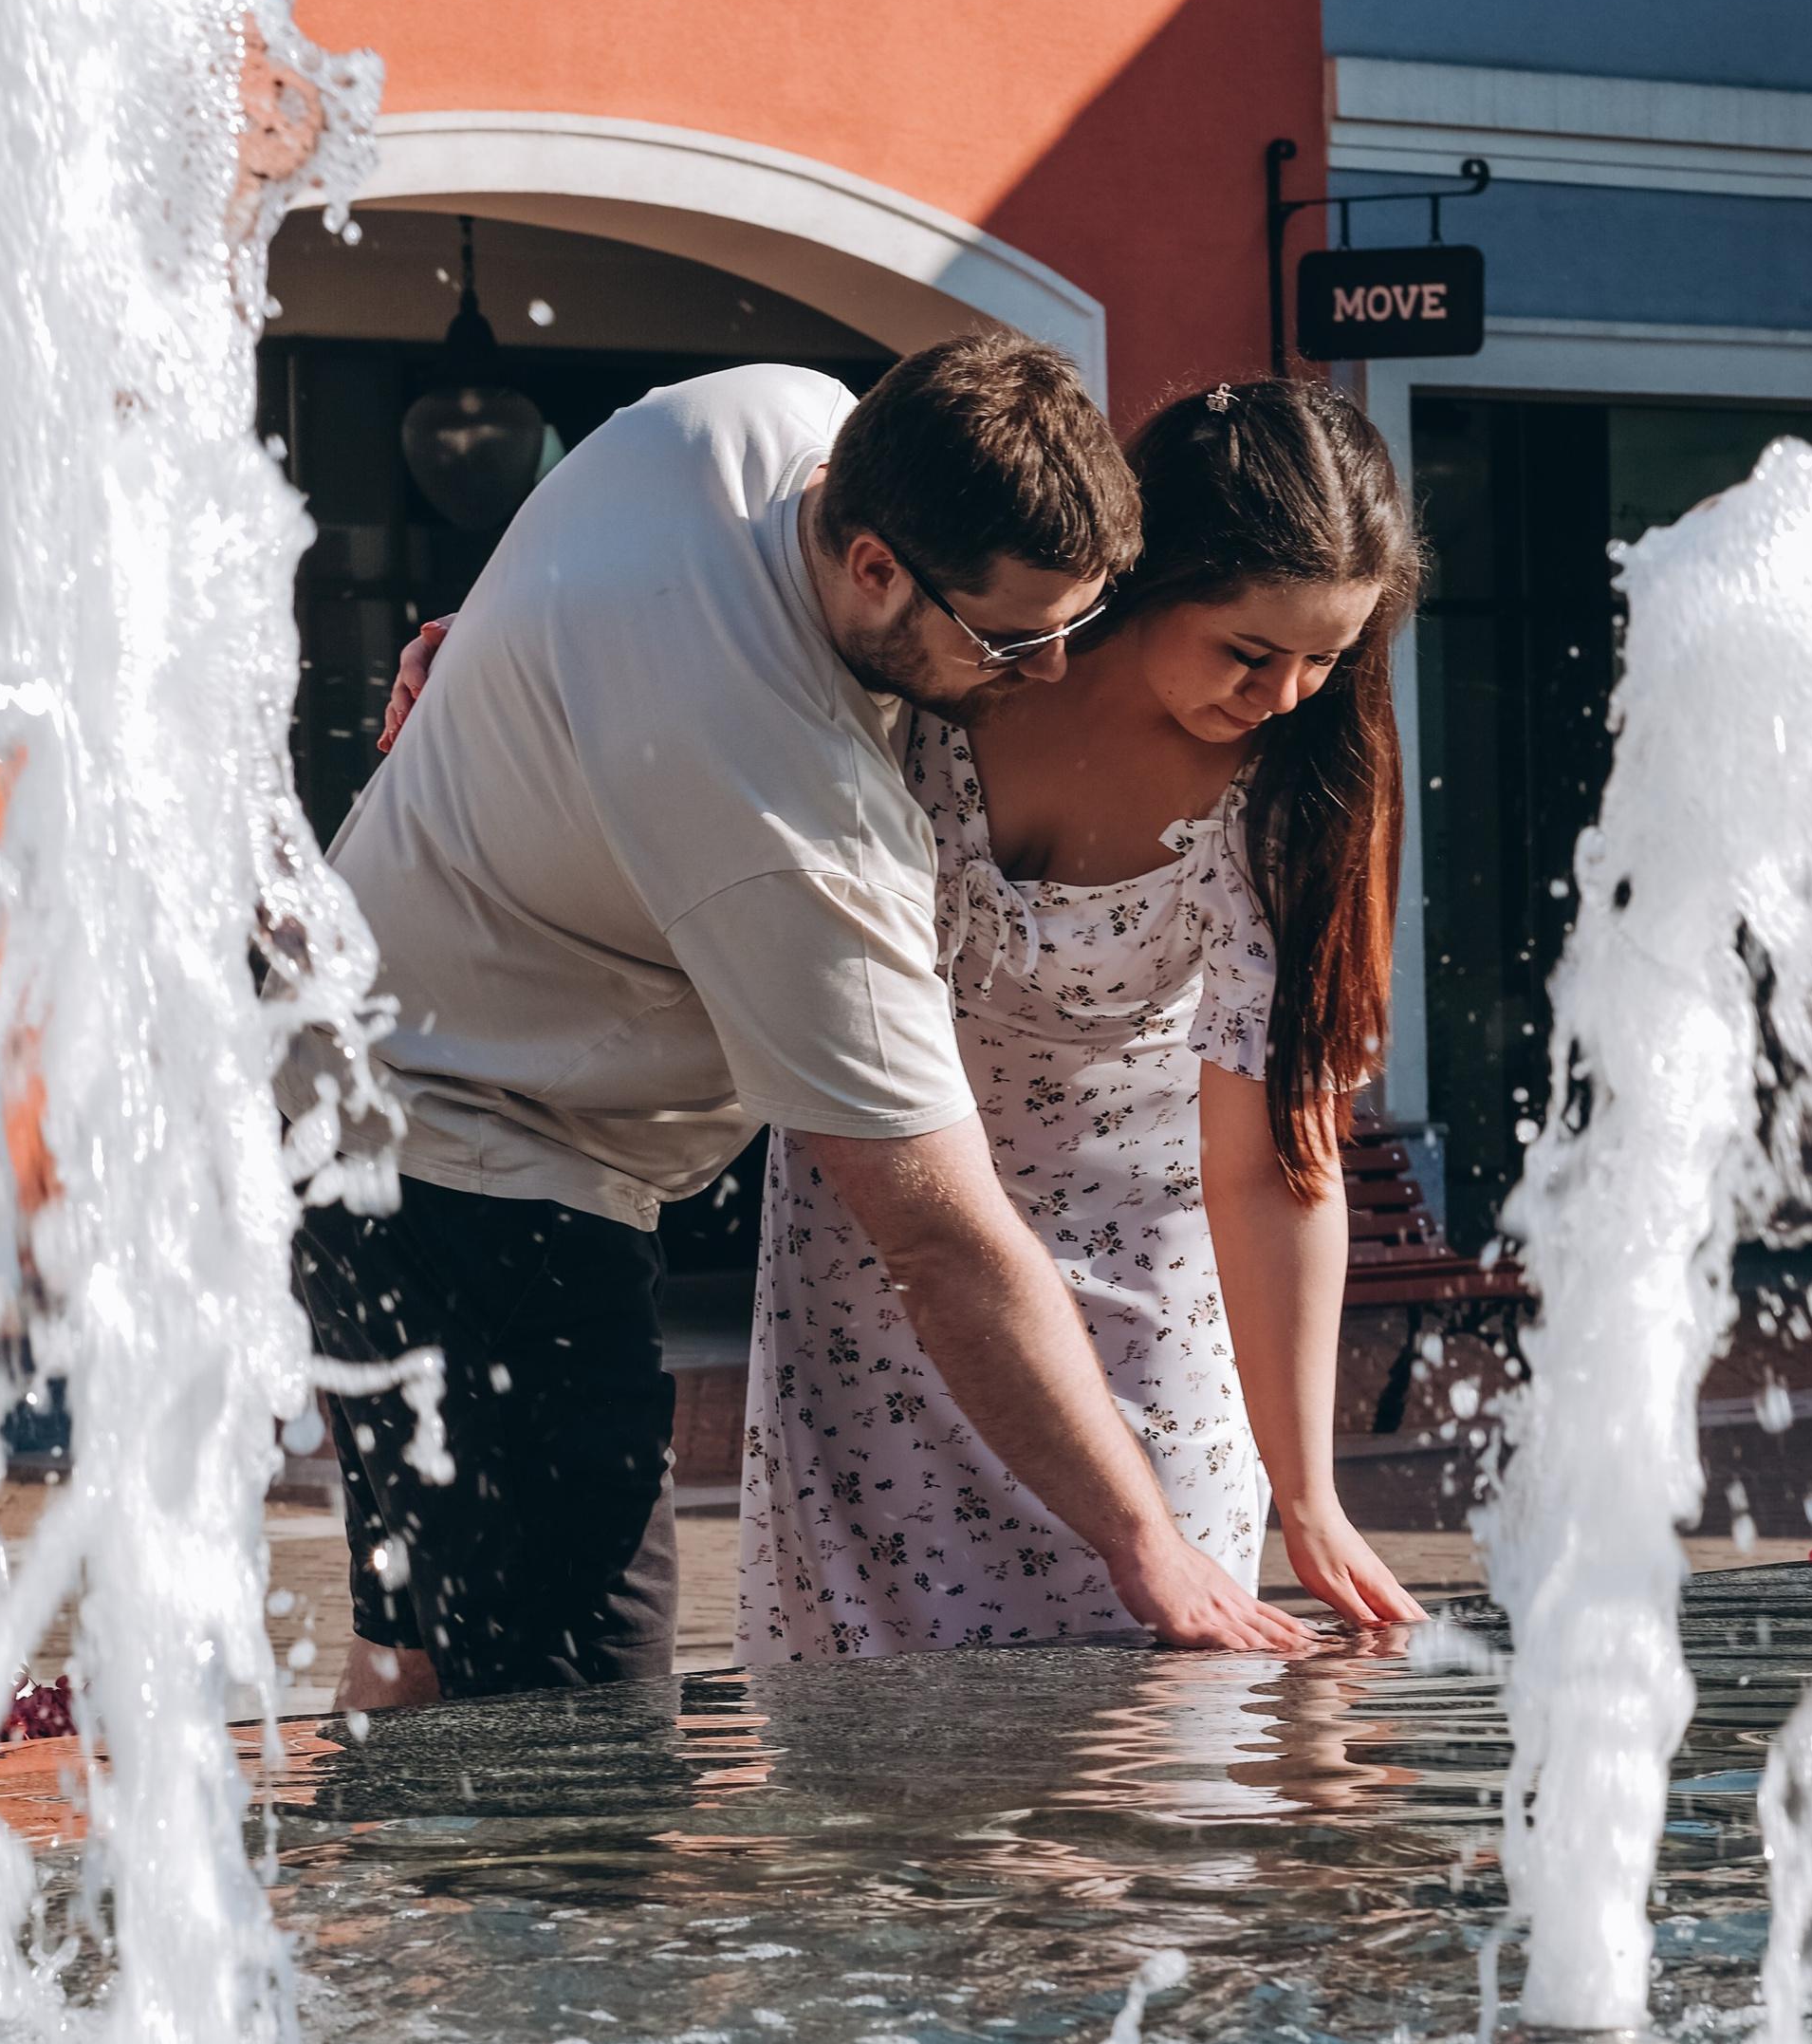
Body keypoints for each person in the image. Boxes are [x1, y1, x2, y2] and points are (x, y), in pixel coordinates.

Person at [288, 334, 1313, 1708]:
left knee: (427, 1663)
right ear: (877, 565)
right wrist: (1148, 1545)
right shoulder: (791, 820)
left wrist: (491, 643)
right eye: (1014, 638)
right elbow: (941, 1241)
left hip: (349, 1079)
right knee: (578, 1723)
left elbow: (589, 586)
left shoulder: (763, 418)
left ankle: (329, 1921)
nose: (1055, 672)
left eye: (1077, 623)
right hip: (470, 1165)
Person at [738, 378, 1425, 1662]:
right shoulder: (950, 669)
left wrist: (1310, 1493)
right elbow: (712, 686)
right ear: (1152, 578)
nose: (1287, 696)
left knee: (1162, 1730)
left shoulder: (1298, 791)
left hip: (1146, 1291)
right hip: (883, 1267)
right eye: (1250, 651)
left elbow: (1271, 1160)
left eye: (1326, 658)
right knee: (875, 1752)